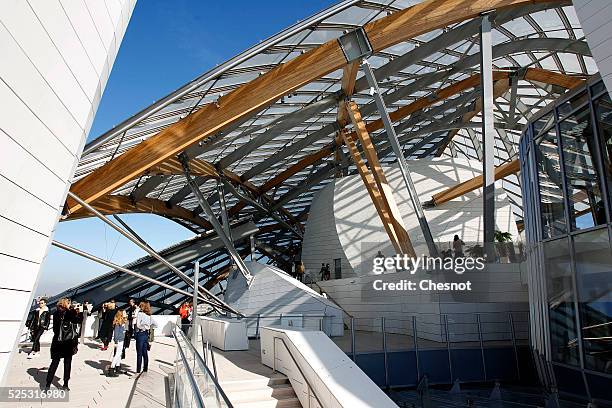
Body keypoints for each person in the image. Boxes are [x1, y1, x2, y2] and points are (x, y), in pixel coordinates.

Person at [45, 298, 82, 391]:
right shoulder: (70, 313)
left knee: (54, 363)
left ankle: (47, 384)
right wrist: (79, 311)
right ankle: (65, 384)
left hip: (57, 341)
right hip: (67, 342)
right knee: (67, 363)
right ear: (66, 304)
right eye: (69, 303)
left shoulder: (56, 313)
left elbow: (54, 330)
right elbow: (79, 321)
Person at [134, 301, 155, 373]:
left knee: (139, 353)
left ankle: (138, 371)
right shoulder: (149, 316)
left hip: (140, 334)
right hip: (146, 335)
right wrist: (148, 327)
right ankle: (145, 369)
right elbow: (156, 324)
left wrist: (142, 326)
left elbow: (138, 325)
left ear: (142, 307)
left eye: (140, 306)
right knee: (145, 353)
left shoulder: (140, 314)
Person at [107, 310, 127, 377]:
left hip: (121, 340)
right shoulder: (117, 324)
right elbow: (116, 334)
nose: (125, 313)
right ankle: (112, 368)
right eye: (124, 313)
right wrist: (116, 342)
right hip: (119, 341)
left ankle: (118, 367)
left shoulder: (122, 322)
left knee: (119, 354)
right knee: (117, 354)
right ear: (121, 315)